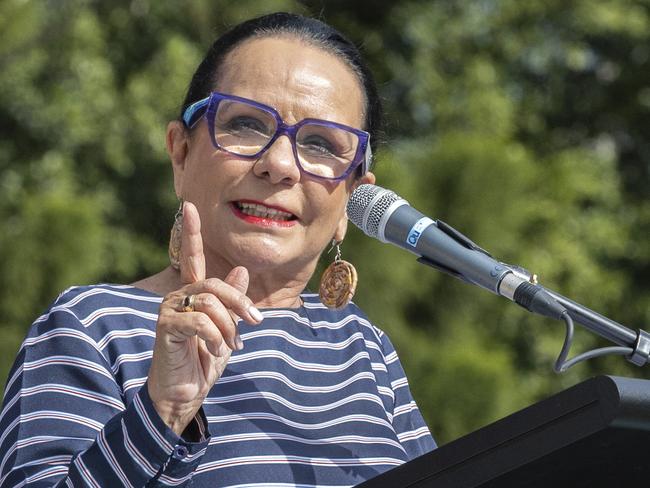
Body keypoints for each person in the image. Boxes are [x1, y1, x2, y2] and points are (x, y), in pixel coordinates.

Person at [0, 12, 435, 488]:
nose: (279, 164)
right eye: (246, 124)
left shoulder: (364, 347)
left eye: (321, 144)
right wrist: (162, 412)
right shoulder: (92, 327)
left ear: (352, 198)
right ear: (181, 154)